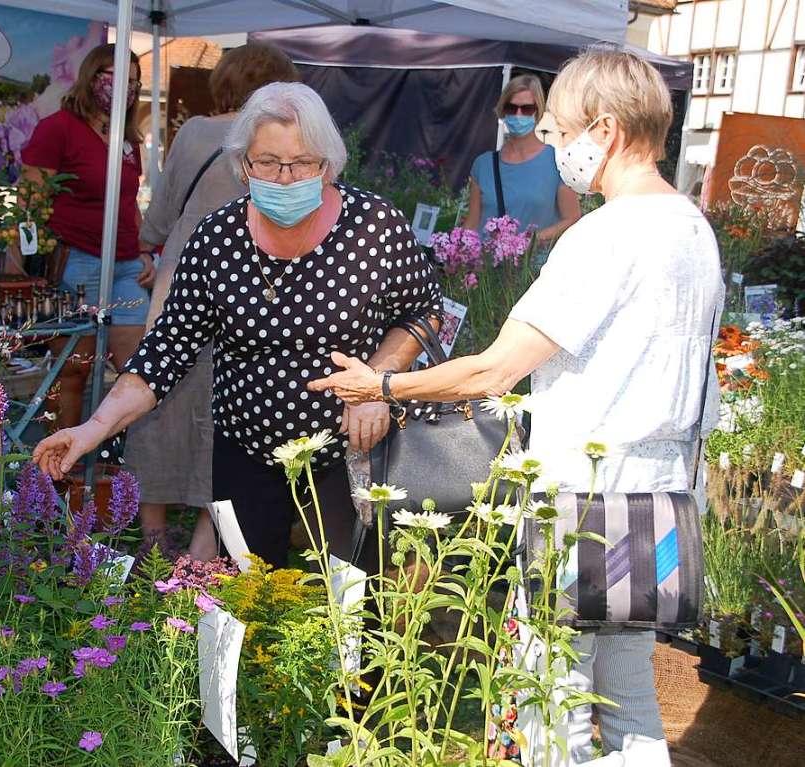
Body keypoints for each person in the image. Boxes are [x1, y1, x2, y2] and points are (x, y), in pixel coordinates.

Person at [308, 49, 722, 765]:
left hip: (580, 502)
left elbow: (497, 367)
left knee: (548, 696)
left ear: (605, 127)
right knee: (628, 696)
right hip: (657, 496)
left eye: (561, 132)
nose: (557, 147)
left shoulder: (605, 234)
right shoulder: (691, 228)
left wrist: (379, 386)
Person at [34, 82, 443, 570]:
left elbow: (424, 311)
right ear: (243, 164)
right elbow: (165, 351)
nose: (285, 177)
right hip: (246, 453)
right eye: (267, 162)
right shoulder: (217, 238)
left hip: (352, 453)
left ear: (328, 165)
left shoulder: (374, 227)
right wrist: (92, 429)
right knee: (246, 599)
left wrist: (377, 382)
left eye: (302, 163)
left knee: (354, 604)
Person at [125, 43, 301, 561]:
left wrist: (150, 246)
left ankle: (153, 542)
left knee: (155, 411)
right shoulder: (283, 143)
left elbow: (159, 216)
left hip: (181, 280)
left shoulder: (196, 131)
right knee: (226, 419)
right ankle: (202, 554)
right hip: (250, 289)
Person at [16, 44, 154, 428]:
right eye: (113, 76)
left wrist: (144, 250)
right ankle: (57, 473)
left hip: (126, 265)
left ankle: (122, 468)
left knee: (137, 372)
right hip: (77, 261)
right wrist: (22, 267)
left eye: (132, 81)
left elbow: (129, 201)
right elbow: (30, 202)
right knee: (74, 371)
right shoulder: (58, 129)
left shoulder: (129, 140)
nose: (123, 87)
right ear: (91, 76)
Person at [464, 74, 580, 252]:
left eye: (526, 109)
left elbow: (572, 218)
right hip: (487, 272)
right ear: (503, 110)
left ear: (538, 111)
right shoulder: (484, 164)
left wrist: (531, 241)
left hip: (534, 272)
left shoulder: (557, 161)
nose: (518, 115)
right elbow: (471, 224)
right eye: (511, 108)